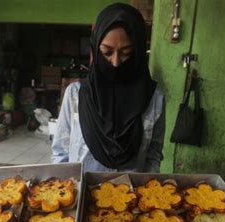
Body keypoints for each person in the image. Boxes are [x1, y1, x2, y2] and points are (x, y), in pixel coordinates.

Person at [51, 3, 165, 172]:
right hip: (82, 195)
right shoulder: (76, 95)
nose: (116, 62)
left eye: (126, 53)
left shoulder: (154, 99)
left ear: (139, 51)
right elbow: (60, 154)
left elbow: (153, 156)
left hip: (134, 195)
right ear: (96, 50)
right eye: (107, 52)